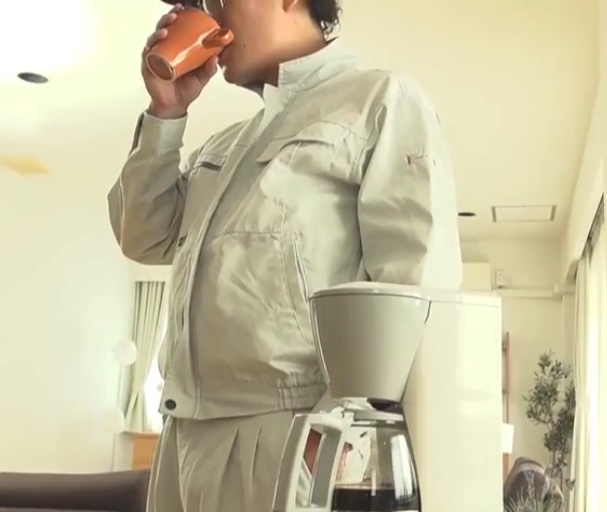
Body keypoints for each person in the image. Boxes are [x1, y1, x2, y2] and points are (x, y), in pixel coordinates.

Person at [106, 0, 463, 510]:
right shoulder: (227, 144)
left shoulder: (381, 100)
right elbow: (142, 235)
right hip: (181, 442)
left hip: (290, 441)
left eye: (217, 1)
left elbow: (416, 289)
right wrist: (166, 111)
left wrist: (334, 434)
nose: (209, 14)